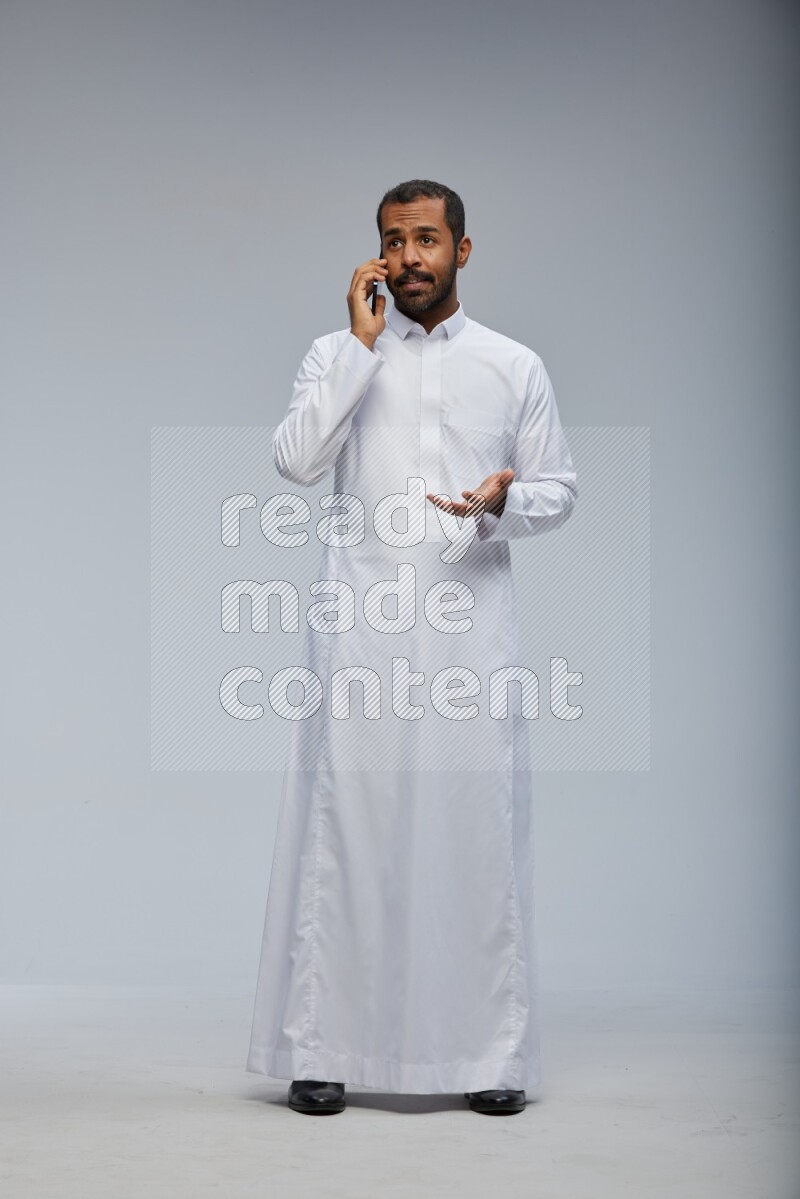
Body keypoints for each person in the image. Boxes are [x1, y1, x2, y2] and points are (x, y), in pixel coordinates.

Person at [246, 179, 578, 1116]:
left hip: (471, 631)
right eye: (394, 241)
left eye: (427, 239)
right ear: (375, 255)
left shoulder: (514, 366)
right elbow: (297, 461)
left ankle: (488, 1057)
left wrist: (501, 501)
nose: (409, 258)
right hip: (361, 632)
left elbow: (559, 489)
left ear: (463, 251)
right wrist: (358, 349)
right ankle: (321, 1048)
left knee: (476, 834)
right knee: (345, 832)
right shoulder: (335, 354)